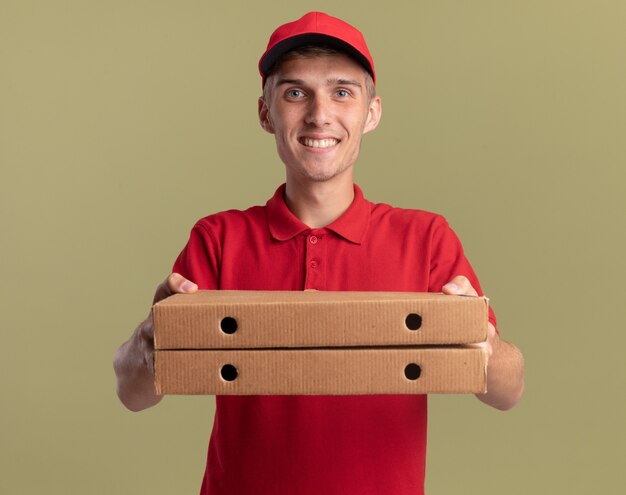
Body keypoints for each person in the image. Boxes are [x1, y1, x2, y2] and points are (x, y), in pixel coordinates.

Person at [113, 11, 524, 495]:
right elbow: (132, 395)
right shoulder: (219, 238)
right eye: (295, 93)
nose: (319, 114)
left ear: (371, 113)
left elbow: (507, 392)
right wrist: (150, 343)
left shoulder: (425, 238)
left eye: (342, 92)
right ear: (266, 113)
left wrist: (480, 342)